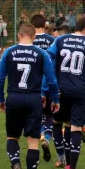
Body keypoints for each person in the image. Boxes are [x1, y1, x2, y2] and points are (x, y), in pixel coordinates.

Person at [0, 24, 60, 169]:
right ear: (34, 37)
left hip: (14, 97)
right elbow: (52, 80)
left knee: (12, 136)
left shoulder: (9, 52)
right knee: (32, 140)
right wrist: (55, 100)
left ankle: (16, 163)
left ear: (19, 35)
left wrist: (1, 99)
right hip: (34, 98)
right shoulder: (41, 54)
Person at [47, 17, 85, 169]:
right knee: (75, 126)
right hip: (80, 90)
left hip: (61, 90)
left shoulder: (61, 39)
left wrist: (51, 82)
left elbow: (49, 58)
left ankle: (62, 156)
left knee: (57, 122)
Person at [31, 14, 56, 160]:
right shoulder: (52, 40)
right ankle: (47, 136)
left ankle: (39, 133)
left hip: (34, 83)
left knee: (36, 111)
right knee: (50, 113)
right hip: (49, 81)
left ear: (33, 25)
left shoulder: (30, 41)